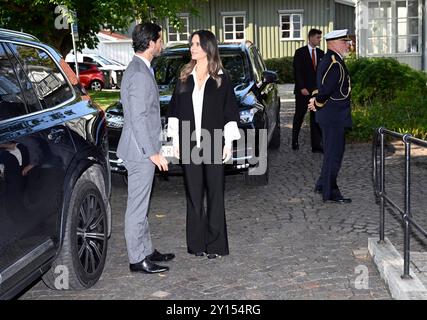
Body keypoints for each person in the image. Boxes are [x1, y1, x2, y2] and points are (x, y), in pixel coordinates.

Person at [167, 30, 240, 259]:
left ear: (208, 47)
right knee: (194, 195)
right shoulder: (184, 76)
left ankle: (216, 246)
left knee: (216, 195)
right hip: (189, 142)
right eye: (192, 44)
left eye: (197, 44)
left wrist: (228, 143)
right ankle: (196, 244)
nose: (193, 47)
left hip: (214, 142)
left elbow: (230, 112)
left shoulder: (221, 77)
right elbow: (175, 112)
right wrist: (175, 140)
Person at [117, 22, 175, 274]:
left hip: (141, 149)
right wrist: (152, 152)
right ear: (151, 43)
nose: (162, 44)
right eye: (160, 40)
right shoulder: (139, 73)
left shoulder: (140, 68)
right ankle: (136, 259)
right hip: (140, 152)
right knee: (137, 208)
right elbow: (139, 117)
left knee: (142, 204)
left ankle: (147, 250)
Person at [308, 29, 353, 204]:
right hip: (334, 116)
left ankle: (322, 184)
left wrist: (315, 100)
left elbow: (319, 85)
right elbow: (326, 89)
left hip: (331, 115)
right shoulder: (334, 62)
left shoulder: (328, 59)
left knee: (331, 153)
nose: (348, 45)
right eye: (345, 42)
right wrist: (317, 102)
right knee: (334, 155)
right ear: (334, 43)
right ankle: (331, 191)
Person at [292, 28, 324, 152]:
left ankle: (316, 145)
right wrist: (302, 87)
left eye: (320, 38)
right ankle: (294, 140)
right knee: (299, 116)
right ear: (310, 38)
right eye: (317, 37)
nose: (319, 40)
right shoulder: (300, 52)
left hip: (316, 92)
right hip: (302, 91)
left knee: (316, 118)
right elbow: (297, 71)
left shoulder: (321, 53)